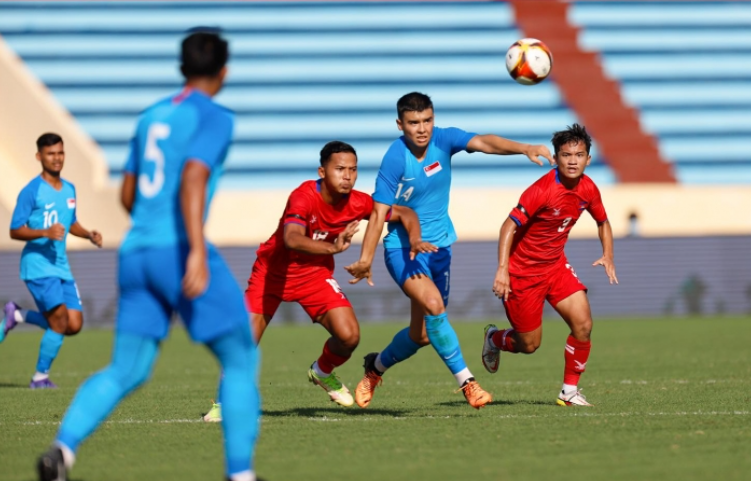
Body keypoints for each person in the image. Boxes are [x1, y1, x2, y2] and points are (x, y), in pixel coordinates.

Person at [36, 31, 261, 481]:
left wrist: (149, 230)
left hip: (135, 253)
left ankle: (62, 451)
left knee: (128, 368)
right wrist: (195, 249)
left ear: (181, 68)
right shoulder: (214, 117)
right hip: (176, 250)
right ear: (224, 72)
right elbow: (194, 179)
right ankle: (241, 475)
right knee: (239, 359)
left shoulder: (151, 116)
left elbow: (128, 191)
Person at [345, 92, 554, 409]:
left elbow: (484, 142)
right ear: (400, 124)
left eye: (427, 120)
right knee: (434, 306)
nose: (422, 128)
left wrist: (524, 148)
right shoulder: (394, 157)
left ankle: (374, 368)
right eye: (413, 122)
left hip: (440, 248)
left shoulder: (444, 140)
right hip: (404, 248)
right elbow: (378, 213)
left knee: (422, 336)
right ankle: (469, 384)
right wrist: (365, 258)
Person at [203, 140, 432, 422]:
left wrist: (416, 238)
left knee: (349, 336)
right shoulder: (303, 196)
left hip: (313, 276)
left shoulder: (358, 202)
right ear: (322, 172)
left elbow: (405, 213)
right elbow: (291, 239)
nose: (347, 176)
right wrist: (333, 248)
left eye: (353, 169)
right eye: (340, 169)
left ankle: (322, 371)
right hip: (272, 274)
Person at [480, 123, 618, 407]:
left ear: (588, 159)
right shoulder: (542, 190)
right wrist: (502, 269)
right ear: (555, 158)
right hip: (522, 274)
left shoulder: (589, 189)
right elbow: (508, 226)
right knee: (528, 345)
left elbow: (603, 221)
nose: (572, 160)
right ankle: (495, 338)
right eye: (566, 155)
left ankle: (569, 392)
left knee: (584, 324)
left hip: (555, 266)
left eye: (579, 155)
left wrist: (608, 254)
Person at [1, 133, 103, 389]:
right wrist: (44, 233)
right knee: (59, 321)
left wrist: (88, 233)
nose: (56, 158)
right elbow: (15, 230)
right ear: (39, 156)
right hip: (37, 265)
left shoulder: (69, 189)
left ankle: (18, 315)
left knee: (74, 324)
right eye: (50, 153)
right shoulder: (31, 191)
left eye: (60, 153)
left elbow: (71, 222)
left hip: (61, 265)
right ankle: (40, 378)